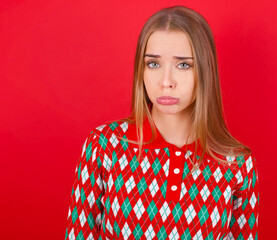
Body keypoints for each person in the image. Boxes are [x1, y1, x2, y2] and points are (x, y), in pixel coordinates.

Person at [64, 5, 259, 240]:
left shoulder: (236, 163)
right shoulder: (104, 146)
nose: (166, 81)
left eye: (183, 64)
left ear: (205, 71)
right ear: (141, 70)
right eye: (153, 64)